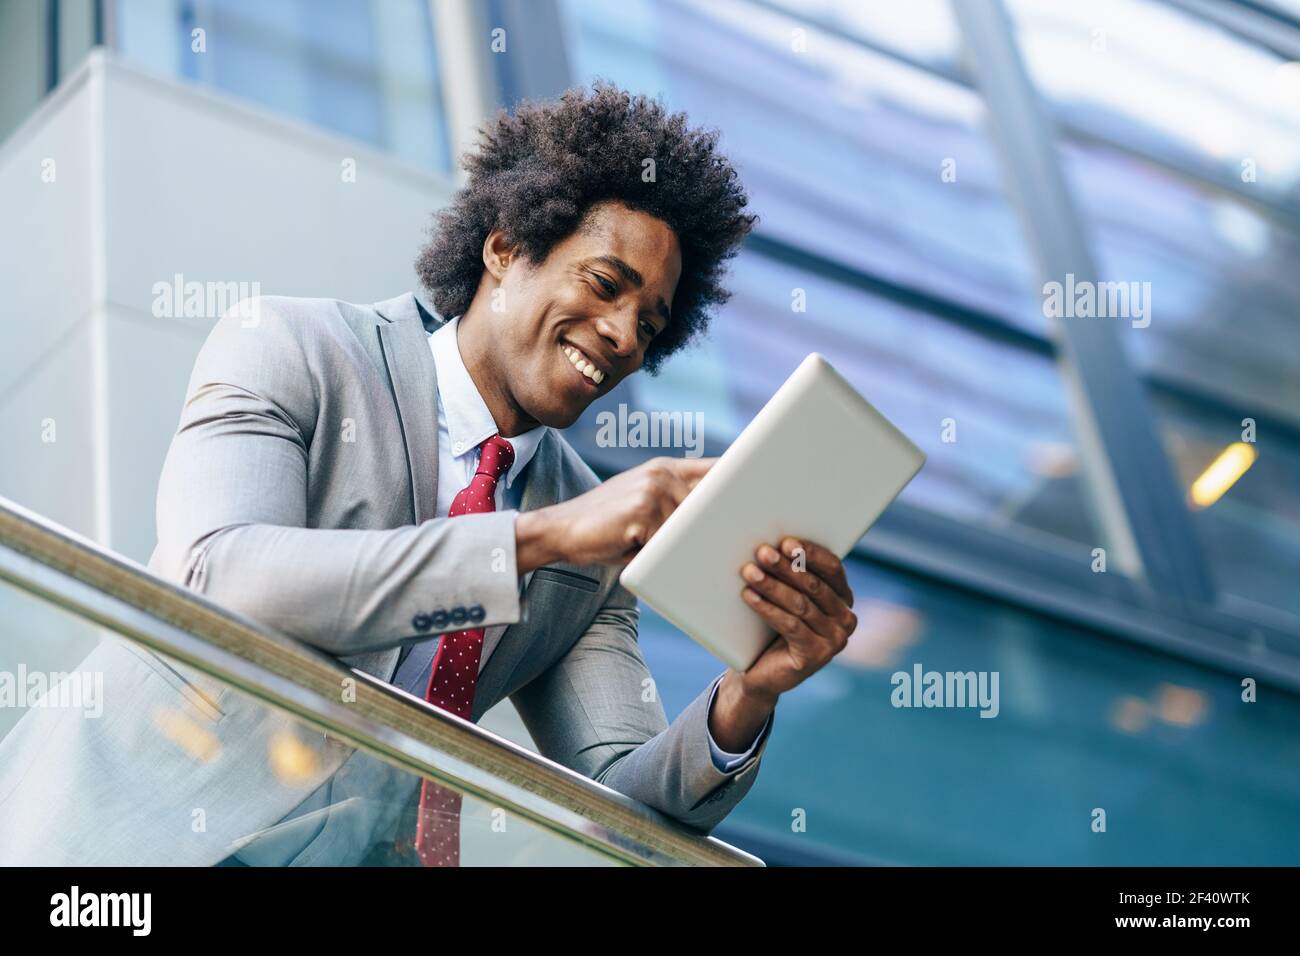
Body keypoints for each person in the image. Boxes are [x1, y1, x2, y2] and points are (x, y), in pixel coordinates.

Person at [0, 82, 859, 866]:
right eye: (605, 285)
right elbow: (223, 577)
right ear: (503, 247)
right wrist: (540, 539)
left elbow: (611, 802)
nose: (625, 335)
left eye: (651, 322)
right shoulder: (293, 348)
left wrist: (747, 695)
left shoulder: (592, 554)